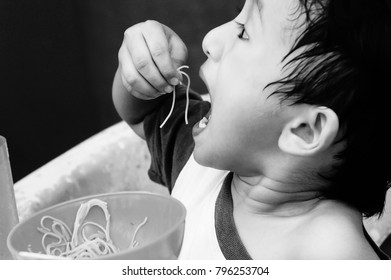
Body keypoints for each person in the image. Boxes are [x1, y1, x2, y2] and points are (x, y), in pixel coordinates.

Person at [112, 0, 391, 259]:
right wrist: (141, 68)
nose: (210, 40)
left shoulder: (331, 252)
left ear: (305, 131)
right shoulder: (205, 162)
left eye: (244, 32)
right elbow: (145, 113)